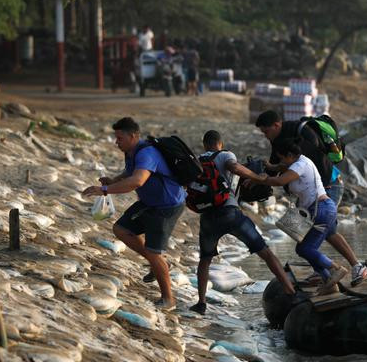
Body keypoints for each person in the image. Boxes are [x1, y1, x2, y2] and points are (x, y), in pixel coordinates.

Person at [82, 117, 186, 310]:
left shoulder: (147, 153)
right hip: (149, 203)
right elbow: (129, 173)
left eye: (120, 138)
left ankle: (169, 299)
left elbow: (137, 181)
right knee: (121, 229)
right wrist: (112, 181)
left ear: (134, 136)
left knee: (155, 253)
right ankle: (158, 265)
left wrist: (104, 190)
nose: (116, 142)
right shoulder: (132, 152)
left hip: (166, 206)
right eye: (116, 138)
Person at [255, 110, 367, 285]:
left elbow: (303, 166)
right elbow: (277, 168)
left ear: (276, 125)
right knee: (318, 233)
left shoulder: (300, 135)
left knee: (323, 234)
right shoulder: (280, 142)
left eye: (266, 132)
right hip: (314, 195)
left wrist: (265, 177)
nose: (265, 136)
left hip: (328, 185)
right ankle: (326, 270)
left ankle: (343, 268)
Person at [189, 130, 296, 315]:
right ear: (220, 144)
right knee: (266, 253)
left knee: (205, 260)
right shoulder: (225, 155)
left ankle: (201, 303)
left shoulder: (198, 160)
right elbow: (235, 168)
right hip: (230, 214)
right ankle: (290, 291)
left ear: (205, 144)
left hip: (208, 218)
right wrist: (257, 177)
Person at [251, 138, 349, 295]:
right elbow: (282, 166)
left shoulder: (300, 165)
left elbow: (280, 180)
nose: (282, 162)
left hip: (321, 209)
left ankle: (335, 269)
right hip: (320, 209)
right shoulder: (299, 161)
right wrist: (270, 166)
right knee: (310, 251)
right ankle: (330, 284)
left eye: (282, 158)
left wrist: (261, 179)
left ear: (290, 155)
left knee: (304, 249)